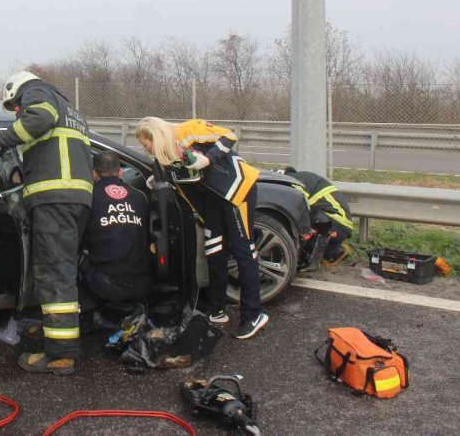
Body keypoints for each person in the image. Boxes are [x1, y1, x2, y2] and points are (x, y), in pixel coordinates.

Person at [0, 71, 93, 376]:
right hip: (73, 199)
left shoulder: (38, 92)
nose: (18, 112)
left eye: (15, 106)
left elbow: (37, 119)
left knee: (54, 274)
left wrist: (1, 143)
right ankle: (56, 333)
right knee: (62, 270)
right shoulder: (68, 107)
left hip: (55, 199)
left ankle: (60, 354)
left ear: (20, 90)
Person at [135, 117, 269, 340]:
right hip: (212, 201)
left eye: (144, 143)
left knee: (243, 249)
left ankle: (254, 314)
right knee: (214, 250)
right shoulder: (165, 156)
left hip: (236, 191)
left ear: (154, 136)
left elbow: (229, 136)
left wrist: (207, 160)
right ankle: (217, 310)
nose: (144, 148)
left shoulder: (187, 130)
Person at [80, 151, 152, 316]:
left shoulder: (87, 198)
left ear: (93, 174)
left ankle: (86, 312)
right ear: (120, 172)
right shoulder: (140, 197)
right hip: (142, 284)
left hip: (106, 287)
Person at [283, 166, 354, 265]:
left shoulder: (294, 182)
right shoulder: (302, 177)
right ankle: (331, 250)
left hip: (334, 223)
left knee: (299, 223)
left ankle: (331, 252)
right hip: (338, 223)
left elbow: (297, 204)